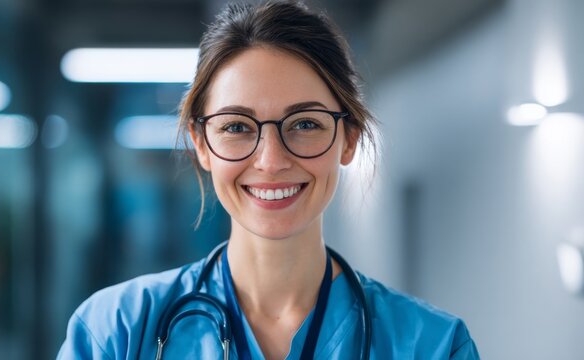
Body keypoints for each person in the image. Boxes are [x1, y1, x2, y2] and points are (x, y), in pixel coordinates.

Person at [57, 1, 480, 359]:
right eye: (237, 127)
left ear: (348, 138)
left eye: (305, 124)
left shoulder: (433, 345)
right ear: (201, 144)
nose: (271, 160)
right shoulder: (115, 332)